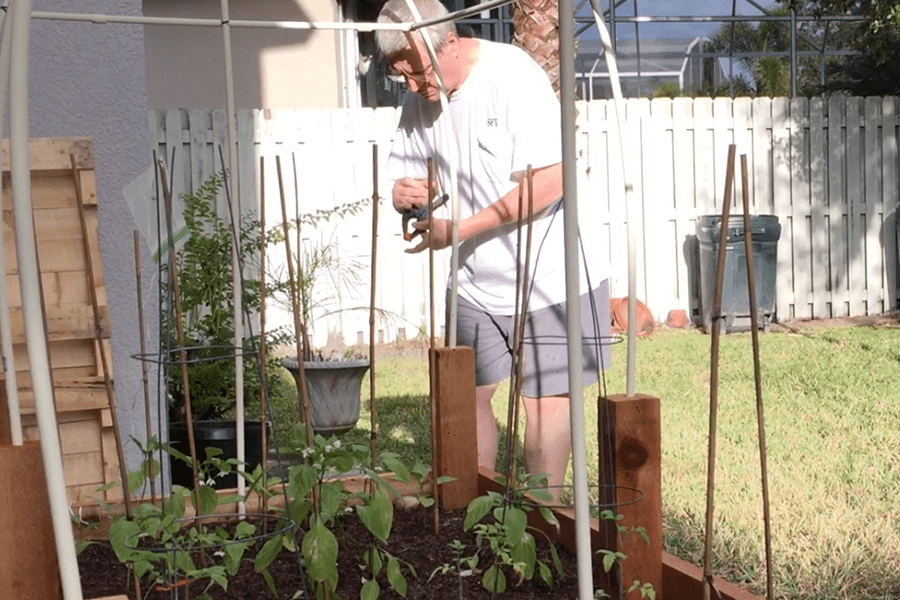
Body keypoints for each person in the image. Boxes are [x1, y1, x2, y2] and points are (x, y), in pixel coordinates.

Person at [376, 0, 610, 501]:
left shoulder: (513, 77)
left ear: (451, 43)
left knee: (545, 403)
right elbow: (409, 170)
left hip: (550, 274)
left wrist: (459, 229)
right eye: (402, 77)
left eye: (417, 72)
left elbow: (551, 180)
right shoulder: (421, 94)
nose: (415, 86)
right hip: (475, 282)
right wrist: (405, 195)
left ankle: (540, 522)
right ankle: (474, 516)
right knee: (465, 399)